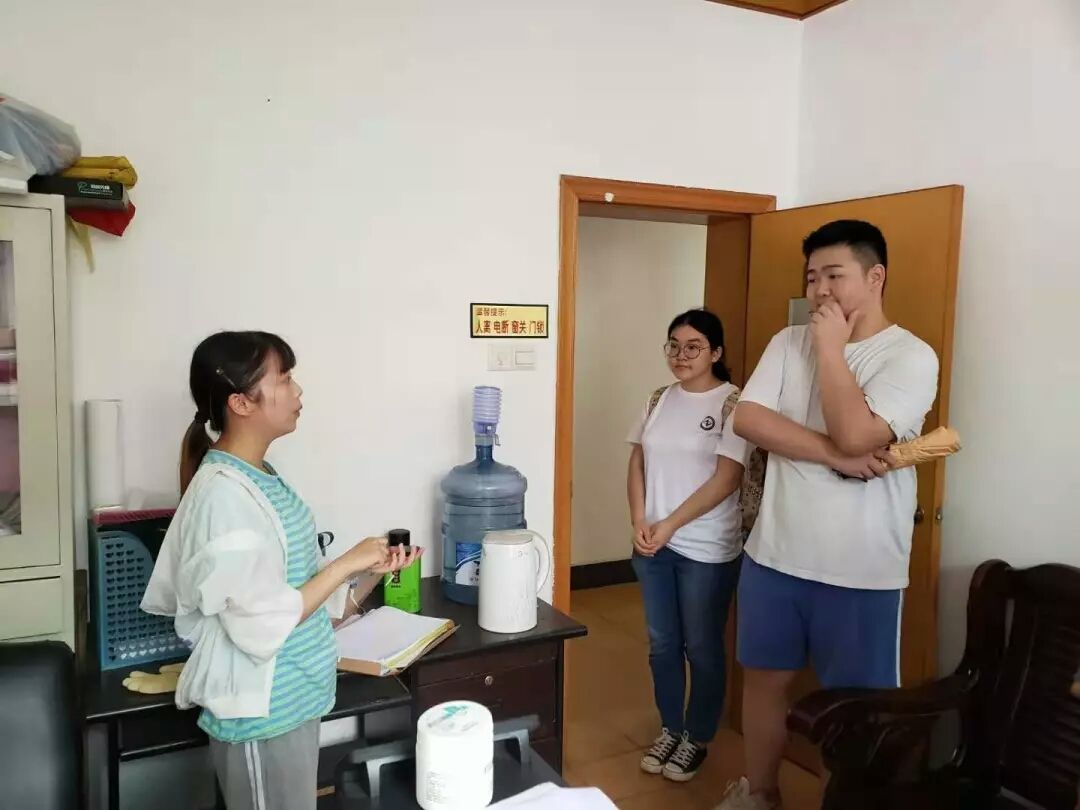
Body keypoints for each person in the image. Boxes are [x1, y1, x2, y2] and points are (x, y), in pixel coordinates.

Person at [142, 331, 420, 810]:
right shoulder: (223, 495)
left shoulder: (264, 477)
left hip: (294, 701)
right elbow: (259, 619)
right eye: (285, 379)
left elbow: (303, 598)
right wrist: (347, 562)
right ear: (241, 403)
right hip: (261, 717)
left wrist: (371, 570)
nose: (298, 390)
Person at [714, 220, 939, 809]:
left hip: (860, 570)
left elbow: (857, 431)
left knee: (858, 708)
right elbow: (749, 419)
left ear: (875, 276)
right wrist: (836, 456)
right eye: (811, 277)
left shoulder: (911, 356)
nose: (818, 290)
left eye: (833, 276)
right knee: (763, 683)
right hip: (774, 554)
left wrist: (832, 351)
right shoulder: (787, 342)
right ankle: (760, 794)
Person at [626, 309, 751, 783]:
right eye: (674, 345)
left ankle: (696, 736)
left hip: (707, 548)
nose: (681, 355)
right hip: (653, 545)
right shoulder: (659, 399)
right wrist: (640, 520)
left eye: (694, 346)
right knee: (662, 644)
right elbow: (638, 461)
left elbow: (727, 478)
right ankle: (670, 728)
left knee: (701, 645)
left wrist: (671, 524)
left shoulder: (733, 403)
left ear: (716, 352)